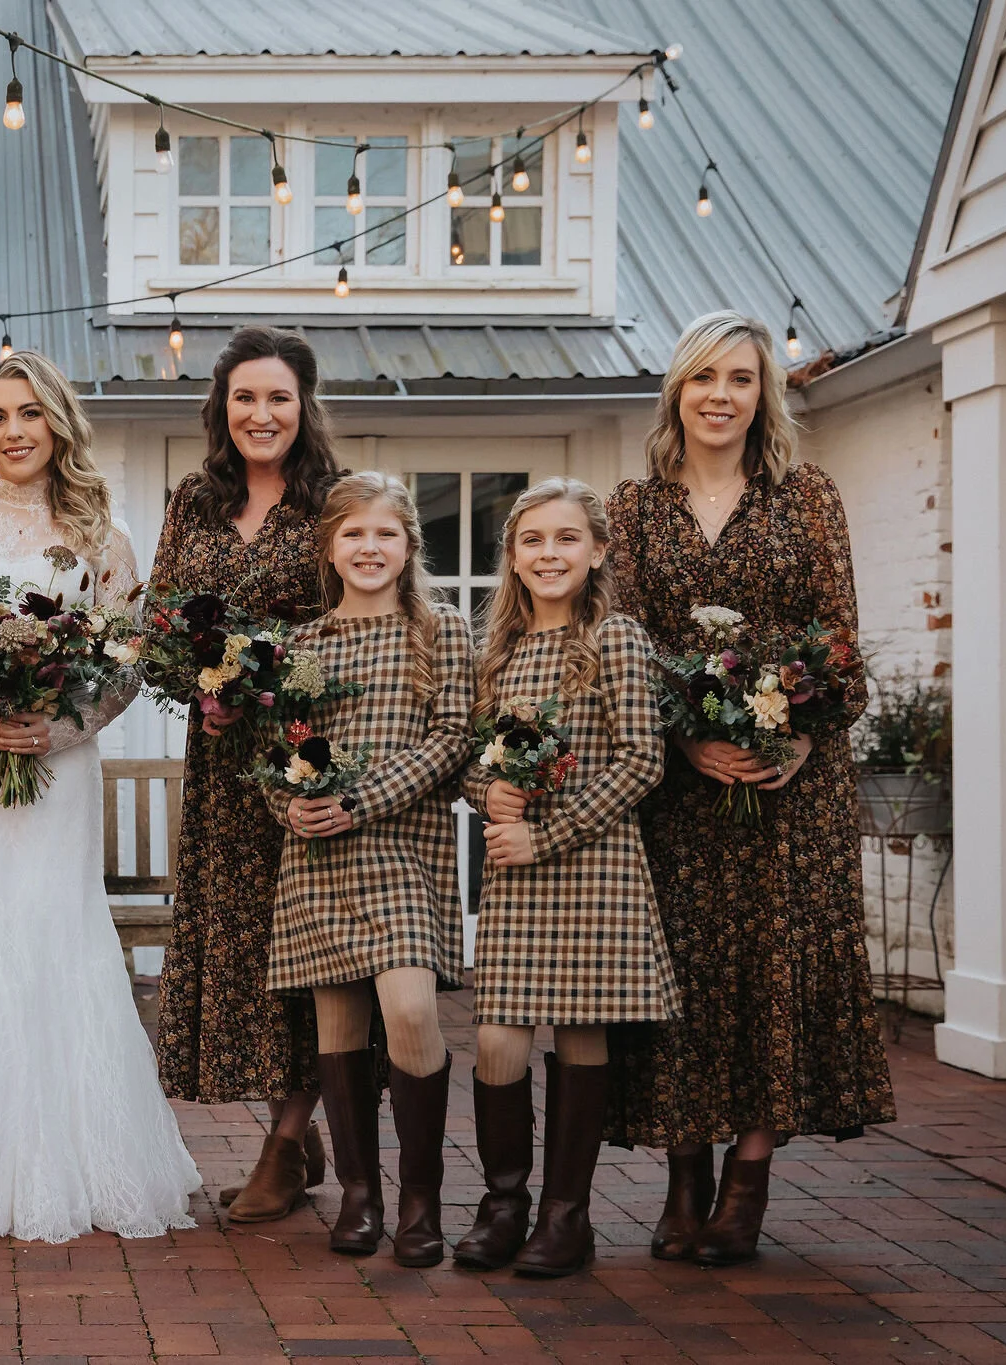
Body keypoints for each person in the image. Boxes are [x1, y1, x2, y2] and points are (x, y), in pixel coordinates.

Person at [606, 310, 893, 1265]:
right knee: (682, 976)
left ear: (763, 393)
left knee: (775, 974)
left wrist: (802, 742)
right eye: (703, 378)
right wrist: (686, 745)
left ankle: (747, 1178)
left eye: (739, 378)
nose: (721, 395)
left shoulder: (807, 495)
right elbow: (629, 648)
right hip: (681, 793)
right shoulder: (637, 507)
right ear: (676, 391)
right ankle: (684, 1174)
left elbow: (838, 638)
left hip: (790, 792)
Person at [0, 349, 201, 1242]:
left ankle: (84, 1156)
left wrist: (57, 730)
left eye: (29, 413)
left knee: (56, 935)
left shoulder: (103, 533)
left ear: (57, 420)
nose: (13, 431)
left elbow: (127, 660)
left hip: (58, 761)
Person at [456, 478, 678, 1277]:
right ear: (512, 557)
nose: (549, 554)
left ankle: (565, 1216)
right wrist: (490, 791)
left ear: (598, 551)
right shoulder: (499, 651)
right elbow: (473, 765)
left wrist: (547, 832)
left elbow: (643, 760)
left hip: (593, 865)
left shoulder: (615, 636)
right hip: (516, 874)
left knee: (582, 1030)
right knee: (497, 1038)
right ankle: (503, 1204)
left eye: (567, 539)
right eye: (533, 541)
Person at [151, 326, 336, 1222]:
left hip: (303, 751)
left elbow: (358, 624)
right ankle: (293, 1131)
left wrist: (269, 682)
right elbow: (161, 618)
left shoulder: (332, 503)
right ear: (222, 408)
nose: (261, 415)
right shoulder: (195, 499)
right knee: (246, 947)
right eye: (245, 398)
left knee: (300, 944)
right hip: (221, 766)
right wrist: (203, 683)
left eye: (279, 398)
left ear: (305, 407)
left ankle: (285, 1142)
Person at [266, 472, 472, 1266]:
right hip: (318, 853)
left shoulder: (440, 630)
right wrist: (289, 802)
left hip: (402, 851)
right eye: (353, 534)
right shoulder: (303, 647)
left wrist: (363, 798)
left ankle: (421, 1193)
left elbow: (454, 735)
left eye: (385, 533)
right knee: (339, 1022)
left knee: (412, 1011)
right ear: (329, 547)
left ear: (409, 543)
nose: (370, 547)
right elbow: (278, 751)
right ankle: (360, 1193)